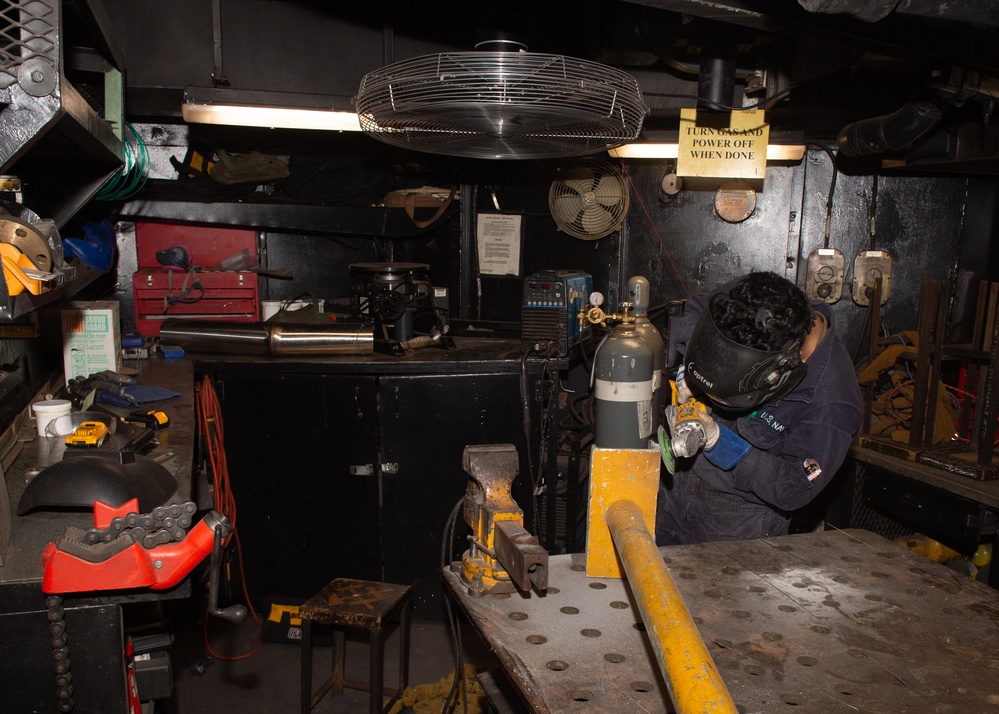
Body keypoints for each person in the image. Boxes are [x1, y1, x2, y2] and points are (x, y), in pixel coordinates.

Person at [655, 271, 862, 545]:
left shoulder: (831, 403)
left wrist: (720, 443)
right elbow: (693, 310)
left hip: (734, 524)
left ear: (785, 365)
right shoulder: (755, 301)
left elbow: (794, 487)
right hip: (675, 487)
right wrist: (694, 363)